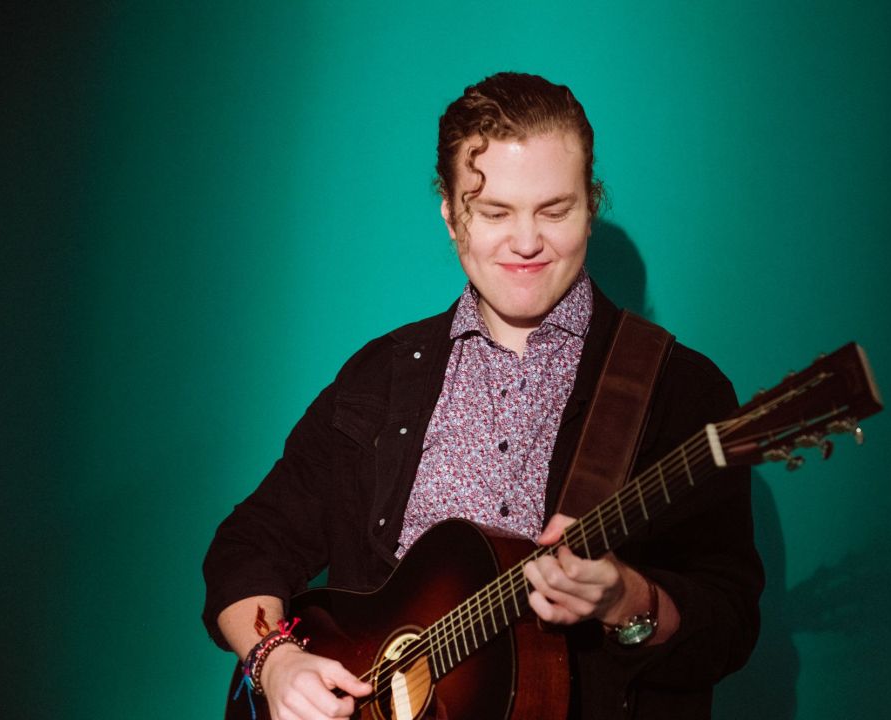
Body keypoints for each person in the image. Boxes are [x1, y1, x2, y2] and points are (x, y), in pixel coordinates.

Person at [203, 71, 763, 720]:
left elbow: (731, 622)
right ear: (450, 216)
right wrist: (276, 661)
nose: (526, 242)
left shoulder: (679, 388)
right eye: (495, 213)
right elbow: (248, 545)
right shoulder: (380, 378)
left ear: (592, 206)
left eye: (555, 210)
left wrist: (626, 600)